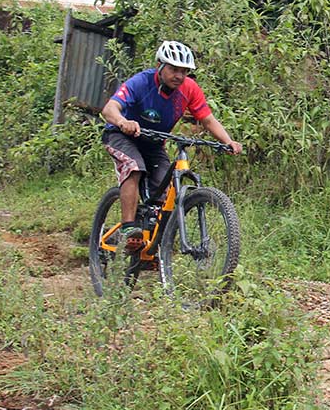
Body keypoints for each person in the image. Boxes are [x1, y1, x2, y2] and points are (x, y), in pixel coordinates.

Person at [100, 40, 243, 253]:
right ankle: (129, 228)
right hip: (122, 136)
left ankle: (155, 248)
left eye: (184, 71)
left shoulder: (189, 89)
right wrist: (123, 122)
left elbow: (207, 119)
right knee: (134, 167)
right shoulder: (141, 82)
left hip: (154, 142)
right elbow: (109, 109)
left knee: (163, 195)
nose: (179, 76)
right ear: (160, 65)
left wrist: (228, 141)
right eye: (174, 69)